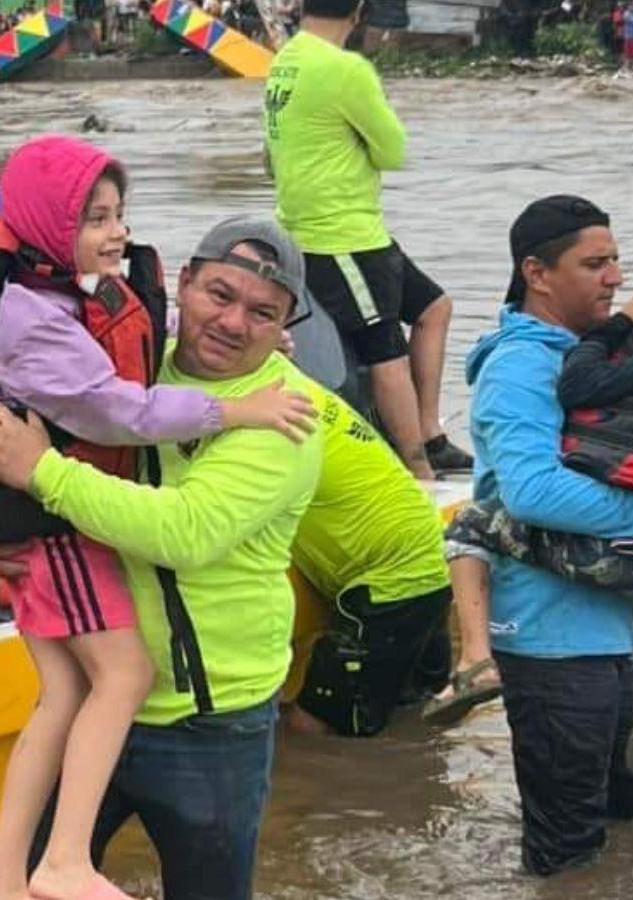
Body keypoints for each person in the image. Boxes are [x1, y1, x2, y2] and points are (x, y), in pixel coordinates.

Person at [0, 139, 315, 900]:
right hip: (100, 697)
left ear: (287, 324)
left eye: (262, 313)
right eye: (219, 295)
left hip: (207, 721)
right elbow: (24, 436)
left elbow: (181, 531)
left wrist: (40, 473)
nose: (232, 322)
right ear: (182, 283)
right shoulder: (131, 355)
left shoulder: (282, 415)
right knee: (32, 881)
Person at [461, 194, 633, 876]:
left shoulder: (602, 357)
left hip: (615, 629)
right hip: (555, 641)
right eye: (594, 265)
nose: (614, 277)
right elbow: (532, 491)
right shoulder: (519, 367)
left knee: (616, 826)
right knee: (566, 854)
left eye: (615, 260)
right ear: (536, 273)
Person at [262, 0, 472, 480]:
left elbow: (270, 157)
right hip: (340, 239)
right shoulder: (345, 69)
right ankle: (418, 471)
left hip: (336, 230)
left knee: (434, 307)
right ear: (357, 11)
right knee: (385, 351)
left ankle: (431, 437)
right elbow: (393, 150)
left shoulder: (285, 60)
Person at [283, 378, 451, 737]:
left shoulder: (266, 413)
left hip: (389, 584)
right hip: (431, 555)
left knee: (313, 727)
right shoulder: (295, 383)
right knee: (417, 715)